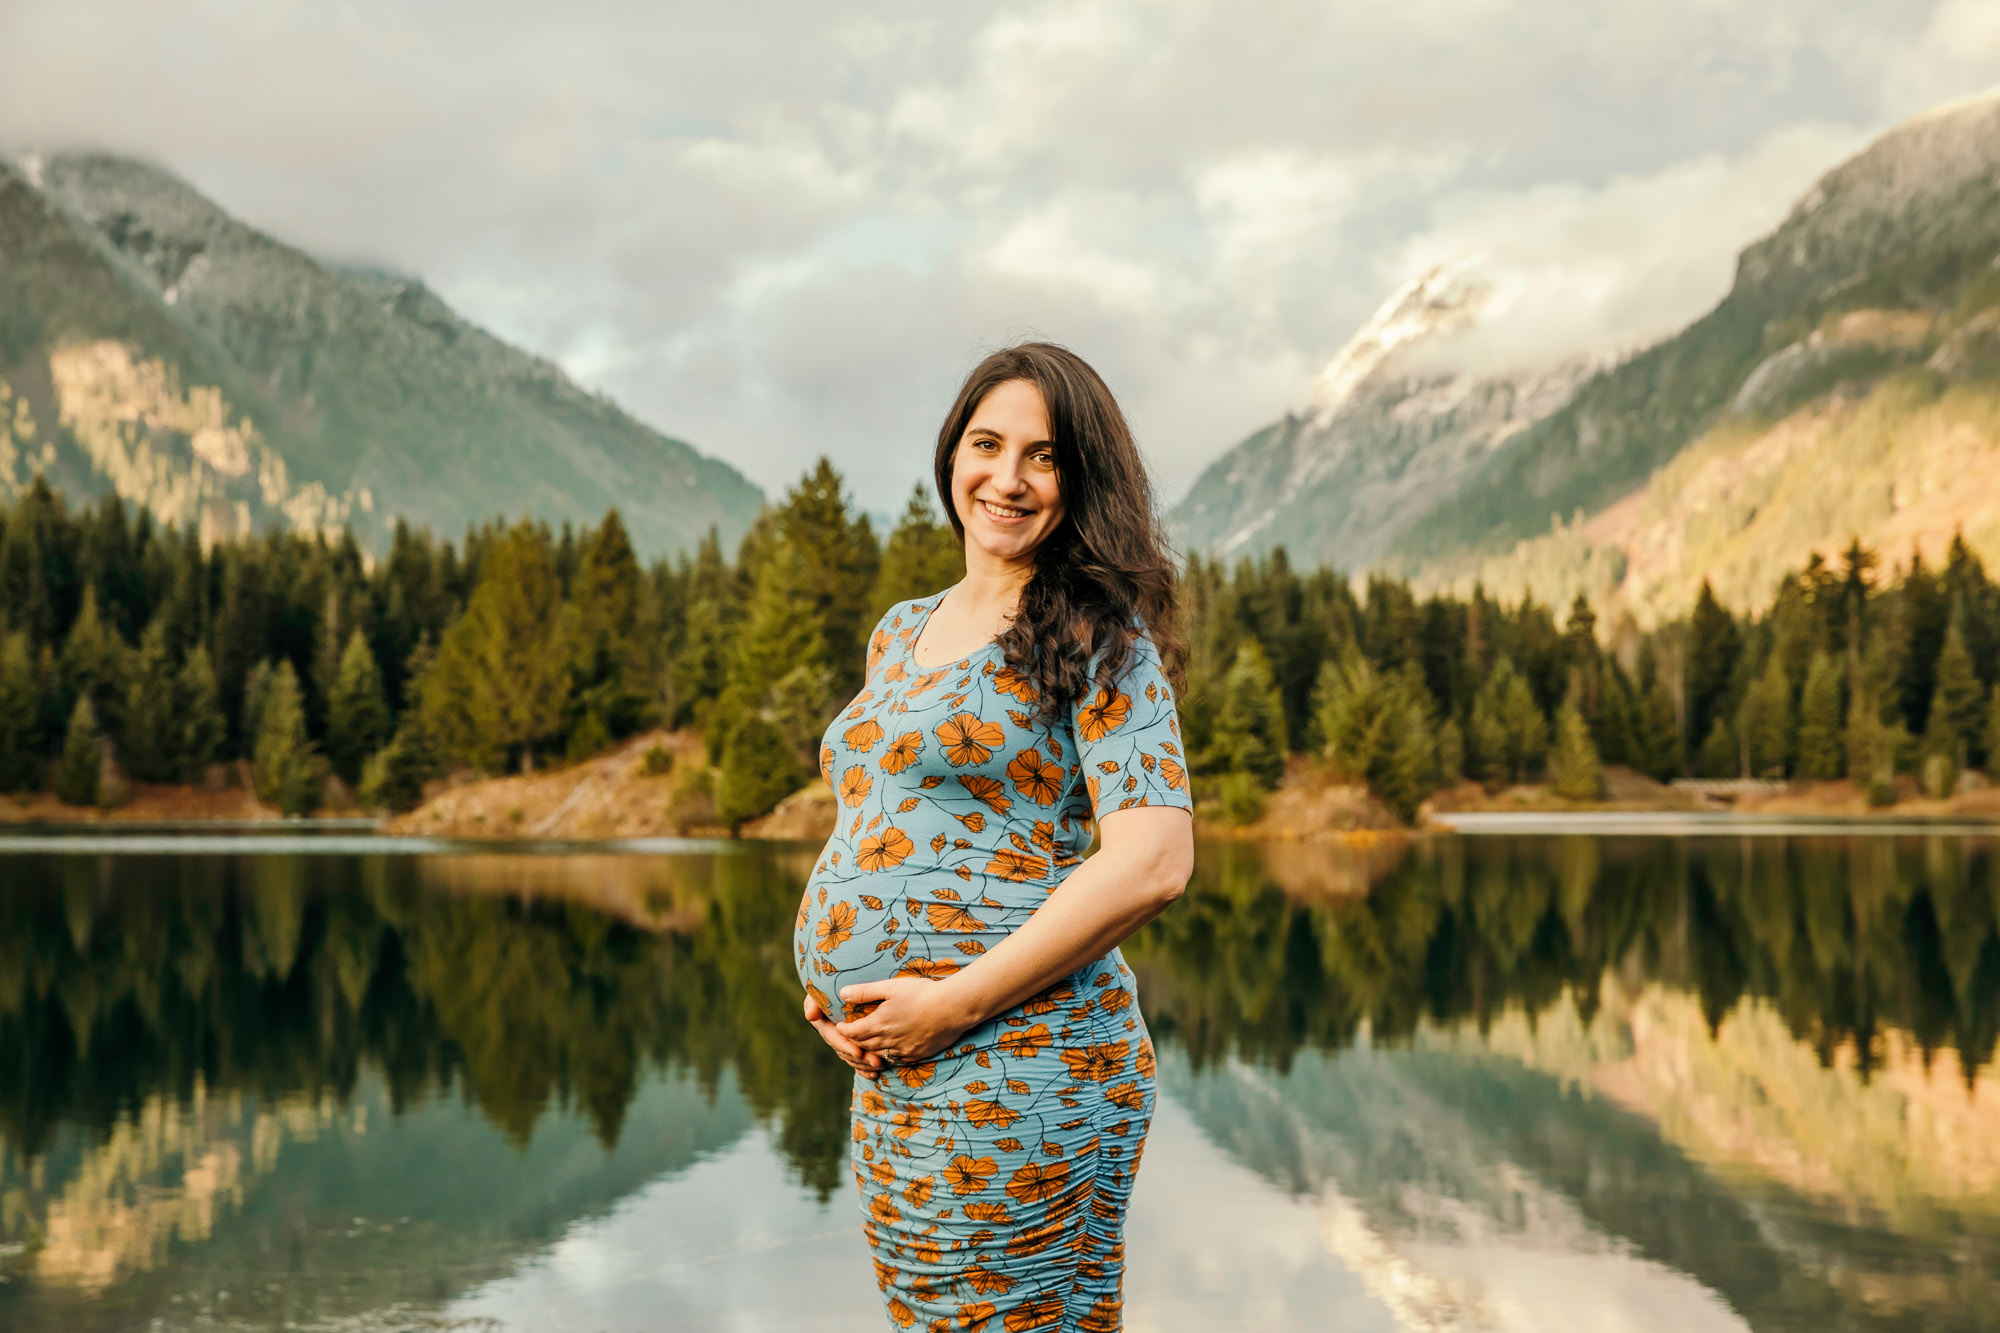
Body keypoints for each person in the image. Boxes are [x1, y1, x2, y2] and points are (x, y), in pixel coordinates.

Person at [794, 342, 1195, 1331]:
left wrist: (952, 1003)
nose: (1006, 478)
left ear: (1082, 479)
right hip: (904, 1072)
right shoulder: (901, 629)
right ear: (950, 453)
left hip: (1027, 1062)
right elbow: (888, 816)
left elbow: (1152, 860)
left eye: (1044, 456)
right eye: (986, 443)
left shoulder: (1100, 632)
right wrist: (836, 996)